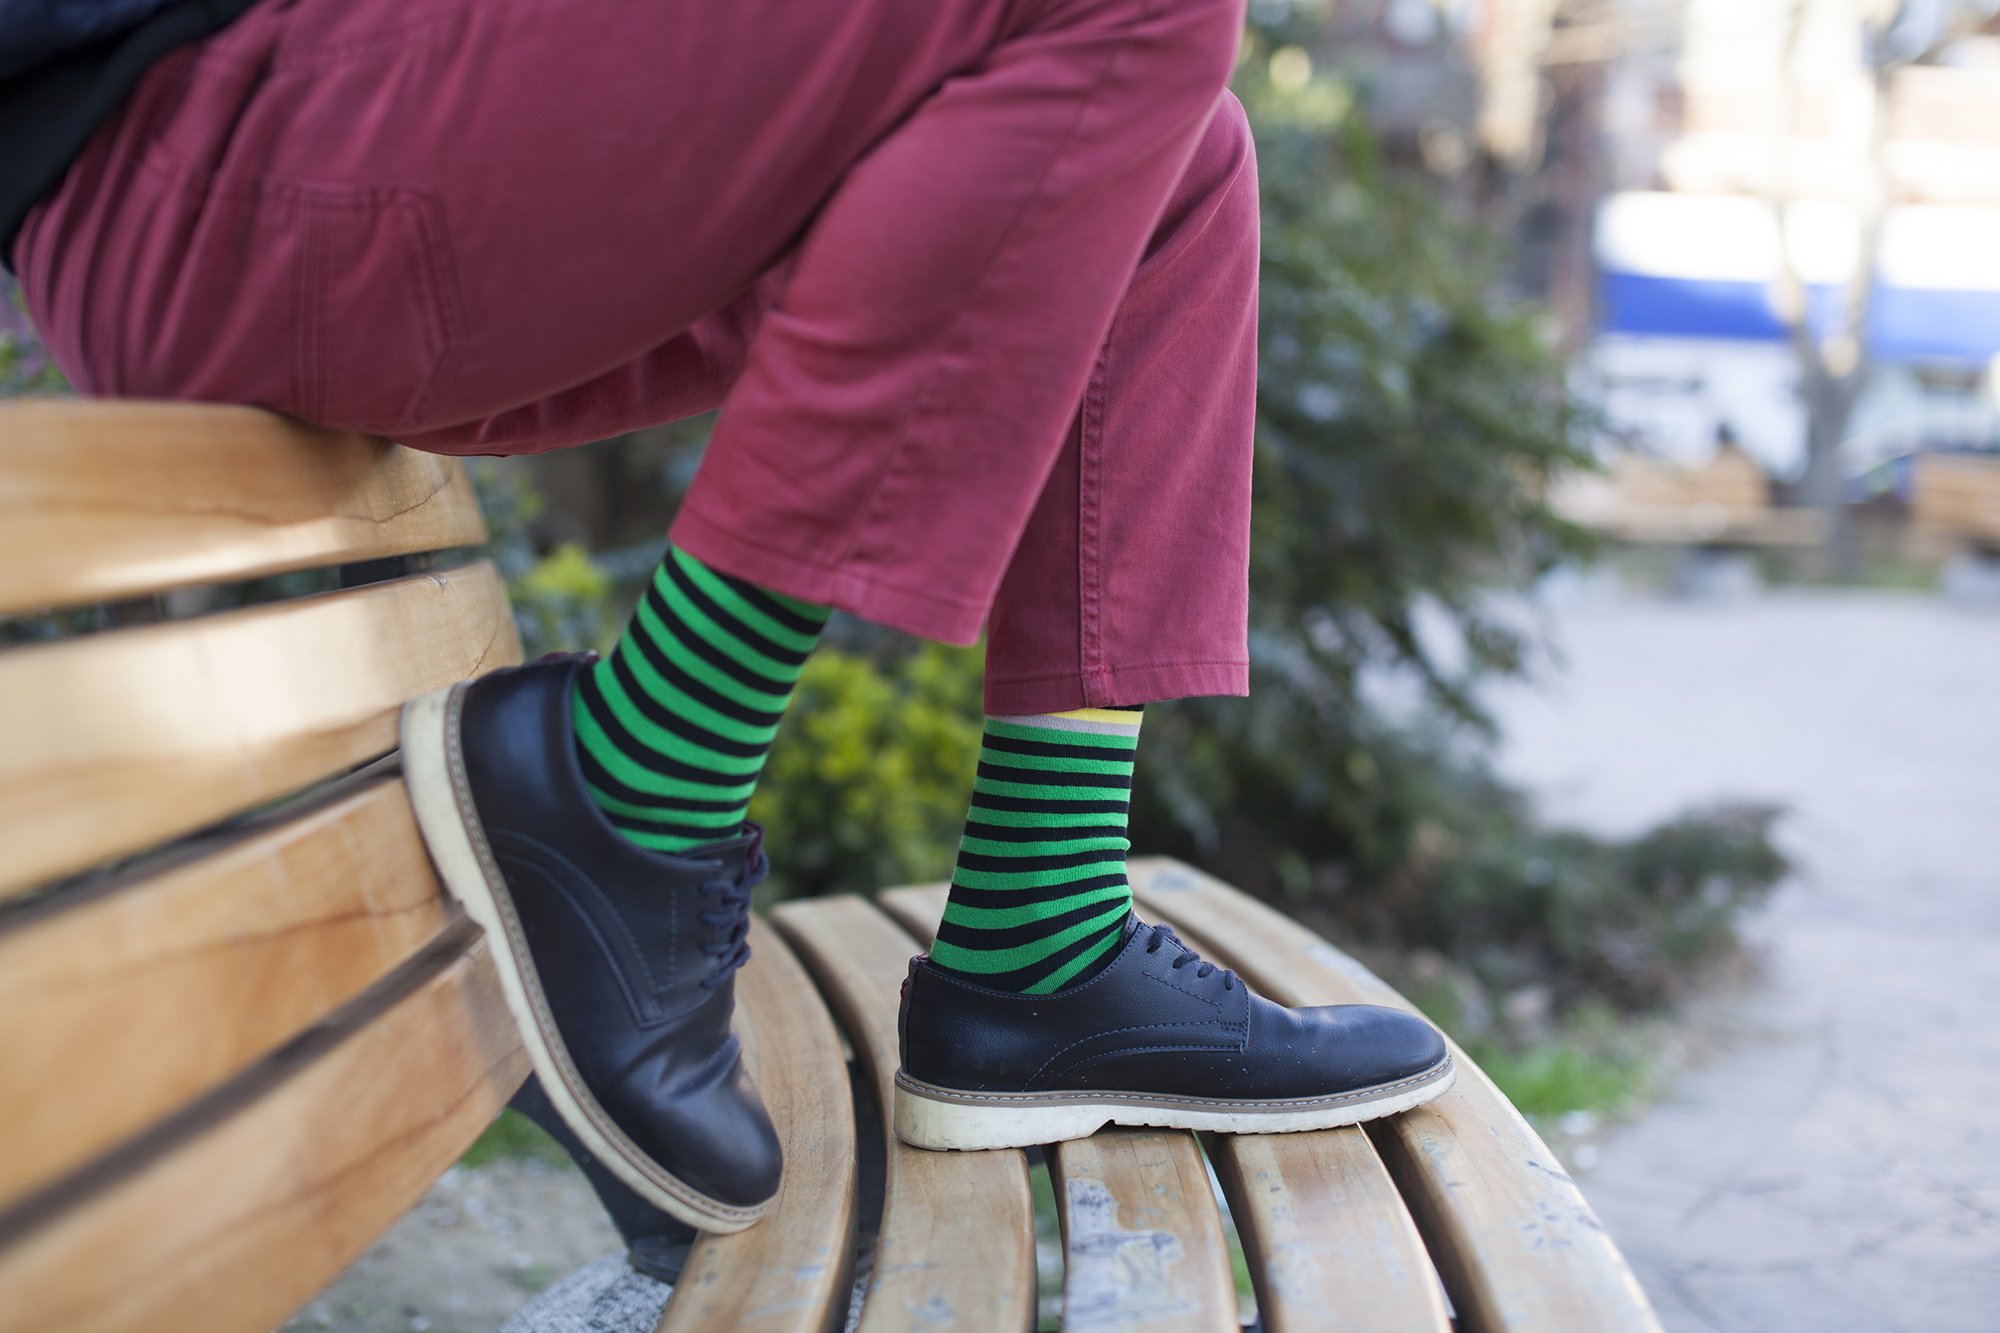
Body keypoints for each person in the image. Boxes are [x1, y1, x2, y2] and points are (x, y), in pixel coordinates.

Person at [3, 0, 1454, 1235]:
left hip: (346, 142)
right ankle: (640, 782)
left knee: (1175, 163)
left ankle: (1044, 934)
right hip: (211, 159)